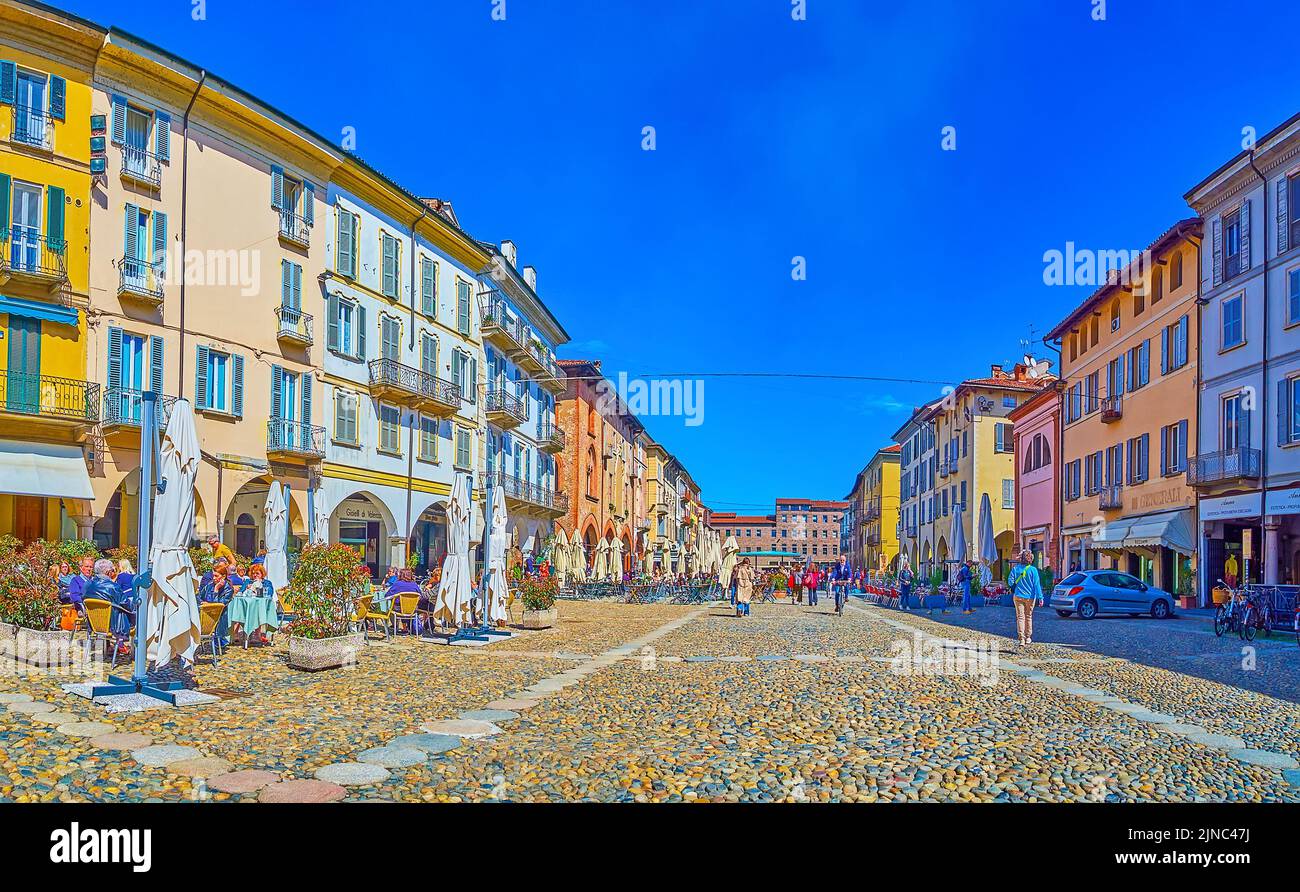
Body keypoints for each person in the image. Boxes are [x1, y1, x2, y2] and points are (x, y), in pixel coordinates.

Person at [234, 562, 278, 645]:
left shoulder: (267, 583)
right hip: (247, 606)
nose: (255, 575)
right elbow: (240, 593)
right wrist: (247, 589)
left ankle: (257, 634)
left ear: (262, 574)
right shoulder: (248, 581)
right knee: (239, 609)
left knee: (257, 611)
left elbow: (269, 594)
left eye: (257, 573)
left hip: (261, 606)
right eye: (253, 573)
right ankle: (235, 633)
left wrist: (259, 586)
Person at [1008, 550, 1044, 648]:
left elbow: (1010, 582)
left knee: (1020, 617)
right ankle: (1028, 637)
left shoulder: (1015, 569)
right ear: (1031, 559)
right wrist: (1040, 597)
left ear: (1022, 559)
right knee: (1028, 616)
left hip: (1018, 596)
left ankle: (1021, 639)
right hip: (1030, 597)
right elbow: (1037, 585)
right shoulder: (1033, 570)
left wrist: (1017, 584)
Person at [199, 561, 238, 647]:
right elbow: (200, 597)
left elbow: (219, 606)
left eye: (216, 576)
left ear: (223, 576)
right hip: (206, 615)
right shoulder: (210, 585)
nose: (213, 578)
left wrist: (216, 590)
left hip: (219, 618)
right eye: (213, 575)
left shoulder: (228, 589)